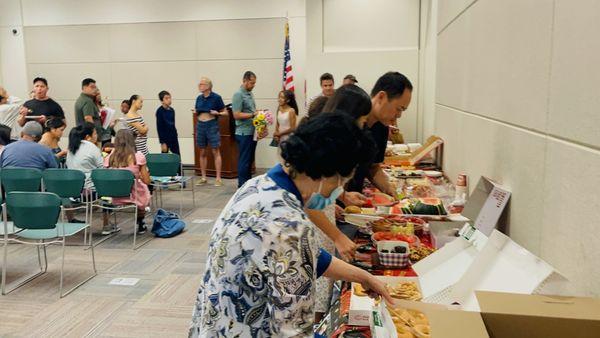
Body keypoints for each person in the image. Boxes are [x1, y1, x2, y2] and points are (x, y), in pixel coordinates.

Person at [189, 113, 392, 337]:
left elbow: (306, 258)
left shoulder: (256, 185)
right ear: (325, 171)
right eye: (340, 182)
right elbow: (292, 331)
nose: (337, 191)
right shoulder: (291, 226)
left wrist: (364, 277)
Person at [303, 84, 374, 320]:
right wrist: (337, 236)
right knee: (312, 296)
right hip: (316, 229)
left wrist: (342, 196)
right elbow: (309, 203)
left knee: (319, 289)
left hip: (319, 232)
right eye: (362, 121)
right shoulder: (317, 152)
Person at [346, 71, 413, 196]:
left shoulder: (382, 125)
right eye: (399, 109)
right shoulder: (350, 119)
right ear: (381, 97)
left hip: (354, 201)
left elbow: (373, 167)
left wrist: (389, 189)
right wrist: (343, 196)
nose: (399, 115)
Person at [104, 129, 151, 234]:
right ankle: (140, 222)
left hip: (113, 194)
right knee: (143, 187)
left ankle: (107, 223)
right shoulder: (138, 156)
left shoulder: (109, 158)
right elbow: (147, 181)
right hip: (133, 195)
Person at [194, 77, 226, 186]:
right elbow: (197, 110)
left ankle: (218, 178)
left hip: (211, 125)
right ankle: (203, 177)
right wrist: (196, 111)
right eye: (199, 84)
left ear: (208, 86)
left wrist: (218, 113)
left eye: (202, 84)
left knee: (215, 151)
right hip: (200, 125)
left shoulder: (216, 98)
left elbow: (225, 112)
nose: (199, 86)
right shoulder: (198, 98)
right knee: (202, 151)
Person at [232, 71, 258, 188]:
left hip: (252, 131)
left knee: (249, 161)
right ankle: (242, 185)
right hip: (243, 132)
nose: (253, 85)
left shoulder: (250, 94)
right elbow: (236, 114)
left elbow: (252, 110)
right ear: (245, 81)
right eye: (252, 83)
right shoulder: (238, 94)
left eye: (254, 83)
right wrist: (253, 114)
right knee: (244, 160)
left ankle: (248, 184)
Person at [156, 90, 180, 156]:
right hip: (165, 138)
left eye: (169, 98)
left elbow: (173, 124)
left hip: (173, 137)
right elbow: (159, 128)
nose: (169, 100)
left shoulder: (172, 110)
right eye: (166, 98)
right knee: (164, 157)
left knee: (177, 156)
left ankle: (177, 166)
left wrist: (176, 134)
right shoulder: (159, 111)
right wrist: (162, 142)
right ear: (162, 100)